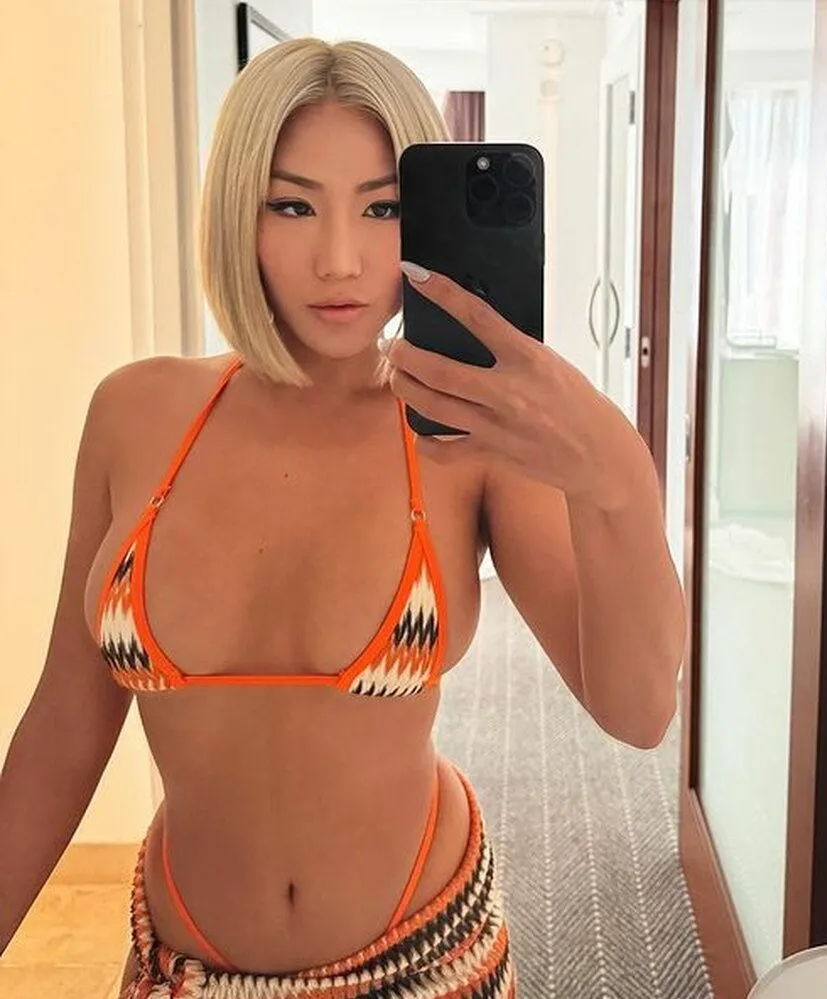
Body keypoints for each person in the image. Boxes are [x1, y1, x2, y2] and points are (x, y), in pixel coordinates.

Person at [0, 37, 686, 999]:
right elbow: (66, 723)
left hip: (429, 960)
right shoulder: (135, 413)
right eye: (293, 205)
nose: (340, 259)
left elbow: (639, 709)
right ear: (239, 212)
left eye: (383, 207)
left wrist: (619, 484)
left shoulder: (467, 433)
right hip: (179, 971)